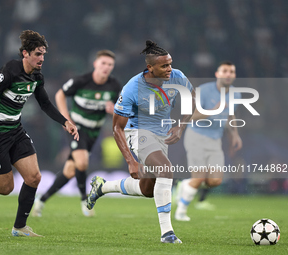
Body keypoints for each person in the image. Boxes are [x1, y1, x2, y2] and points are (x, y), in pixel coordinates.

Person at [0, 30, 78, 237]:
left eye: (43, 54)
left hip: (16, 130)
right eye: (37, 54)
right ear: (25, 53)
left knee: (34, 177)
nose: (42, 58)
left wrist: (65, 122)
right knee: (5, 187)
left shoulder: (36, 77)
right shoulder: (10, 71)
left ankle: (19, 227)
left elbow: (44, 103)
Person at [86, 40, 195, 244]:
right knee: (166, 169)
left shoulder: (177, 76)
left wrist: (180, 126)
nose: (169, 69)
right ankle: (167, 233)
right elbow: (117, 127)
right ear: (150, 68)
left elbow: (192, 98)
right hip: (138, 133)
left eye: (170, 64)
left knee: (147, 190)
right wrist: (130, 160)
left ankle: (102, 187)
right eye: (164, 66)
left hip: (162, 135)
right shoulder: (132, 89)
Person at [32, 50, 121, 217]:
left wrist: (114, 111)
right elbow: (60, 95)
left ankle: (41, 200)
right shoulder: (81, 81)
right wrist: (66, 120)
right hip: (77, 128)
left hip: (94, 132)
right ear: (95, 64)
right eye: (103, 63)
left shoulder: (114, 86)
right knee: (82, 163)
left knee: (70, 170)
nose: (106, 67)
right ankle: (84, 201)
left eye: (110, 65)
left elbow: (121, 110)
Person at [174, 61, 242, 221]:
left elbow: (231, 115)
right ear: (217, 74)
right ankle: (181, 211)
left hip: (215, 139)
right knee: (198, 177)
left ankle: (185, 185)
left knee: (215, 180)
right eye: (225, 71)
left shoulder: (236, 94)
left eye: (231, 71)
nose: (228, 74)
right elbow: (190, 116)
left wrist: (235, 135)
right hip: (196, 136)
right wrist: (212, 110)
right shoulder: (203, 91)